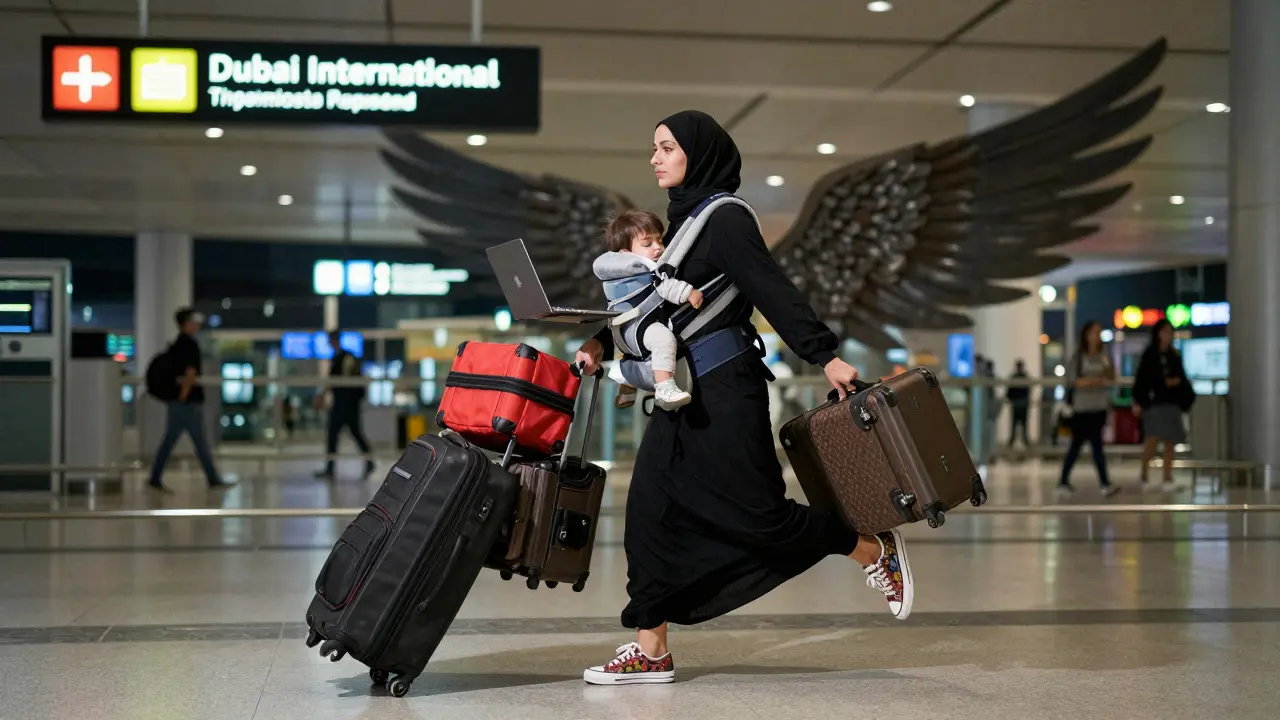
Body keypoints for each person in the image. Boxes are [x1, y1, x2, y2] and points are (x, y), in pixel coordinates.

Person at [574, 110, 915, 686]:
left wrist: (822, 353)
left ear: (697, 154)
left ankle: (871, 550)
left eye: (665, 147)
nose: (654, 158)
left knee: (756, 513)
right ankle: (651, 649)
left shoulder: (724, 219)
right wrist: (595, 343)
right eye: (654, 148)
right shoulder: (678, 231)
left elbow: (769, 288)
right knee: (648, 512)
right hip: (681, 395)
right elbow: (646, 308)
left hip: (728, 389)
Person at [593, 209, 704, 410]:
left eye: (659, 241)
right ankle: (665, 386)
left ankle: (627, 389)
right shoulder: (648, 270)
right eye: (647, 244)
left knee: (633, 358)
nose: (658, 248)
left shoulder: (613, 276)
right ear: (626, 253)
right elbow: (666, 286)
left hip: (621, 333)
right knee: (665, 340)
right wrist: (689, 293)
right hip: (643, 326)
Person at [148, 308, 232, 493]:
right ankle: (213, 479)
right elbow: (190, 373)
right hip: (188, 403)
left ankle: (155, 478)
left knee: (171, 440)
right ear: (186, 324)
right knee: (199, 441)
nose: (197, 324)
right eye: (194, 321)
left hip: (178, 401)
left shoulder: (177, 343)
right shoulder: (190, 345)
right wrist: (184, 395)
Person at [1058, 321, 1120, 496]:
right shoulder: (1078, 357)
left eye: (1098, 333)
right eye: (1093, 333)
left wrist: (1103, 375)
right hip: (1082, 408)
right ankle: (1103, 482)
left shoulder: (1104, 355)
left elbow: (1111, 376)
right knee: (1086, 445)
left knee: (1086, 445)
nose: (1096, 336)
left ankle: (1066, 481)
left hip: (1099, 407)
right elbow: (1073, 381)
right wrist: (1093, 381)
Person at [1132, 319, 1191, 491]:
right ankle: (1143, 473)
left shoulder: (1174, 355)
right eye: (1165, 331)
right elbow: (1142, 380)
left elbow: (1181, 378)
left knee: (1170, 441)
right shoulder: (1150, 355)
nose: (1168, 335)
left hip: (1171, 402)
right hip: (1154, 403)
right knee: (1152, 438)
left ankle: (1167, 477)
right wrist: (1141, 400)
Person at [314, 331, 375, 481]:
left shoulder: (345, 358)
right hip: (345, 403)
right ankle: (368, 461)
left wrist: (322, 396)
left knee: (337, 434)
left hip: (345, 404)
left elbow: (340, 381)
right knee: (348, 433)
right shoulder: (341, 357)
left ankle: (331, 469)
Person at [1006, 359, 1031, 449]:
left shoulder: (1016, 377)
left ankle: (1019, 442)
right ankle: (1019, 442)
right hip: (1020, 404)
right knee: (1019, 425)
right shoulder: (1024, 377)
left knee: (1019, 425)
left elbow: (1009, 391)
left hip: (1019, 404)